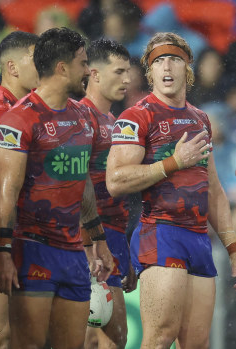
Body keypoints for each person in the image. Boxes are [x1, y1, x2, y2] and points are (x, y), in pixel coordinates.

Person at [106, 32, 236, 348]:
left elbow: (213, 190)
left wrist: (233, 247)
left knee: (197, 344)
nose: (167, 66)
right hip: (160, 232)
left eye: (174, 59)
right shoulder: (136, 116)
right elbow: (115, 180)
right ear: (149, 72)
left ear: (188, 68)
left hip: (199, 238)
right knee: (160, 338)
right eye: (158, 61)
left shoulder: (201, 119)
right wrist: (173, 162)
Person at [0, 27, 114, 348]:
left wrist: (97, 237)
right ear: (62, 68)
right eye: (83, 63)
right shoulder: (18, 120)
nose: (88, 71)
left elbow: (81, 179)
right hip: (32, 248)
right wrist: (2, 252)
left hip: (72, 251)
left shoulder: (84, 117)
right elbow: (7, 190)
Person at [0, 30, 39, 349]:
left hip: (17, 236)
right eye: (35, 59)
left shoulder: (23, 110)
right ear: (12, 67)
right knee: (2, 335)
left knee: (23, 337)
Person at [79, 38, 136, 349]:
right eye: (119, 71)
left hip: (113, 237)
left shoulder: (114, 122)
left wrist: (124, 251)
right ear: (95, 74)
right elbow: (73, 188)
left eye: (128, 71)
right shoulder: (80, 117)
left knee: (115, 338)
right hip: (90, 239)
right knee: (94, 338)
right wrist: (89, 248)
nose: (127, 79)